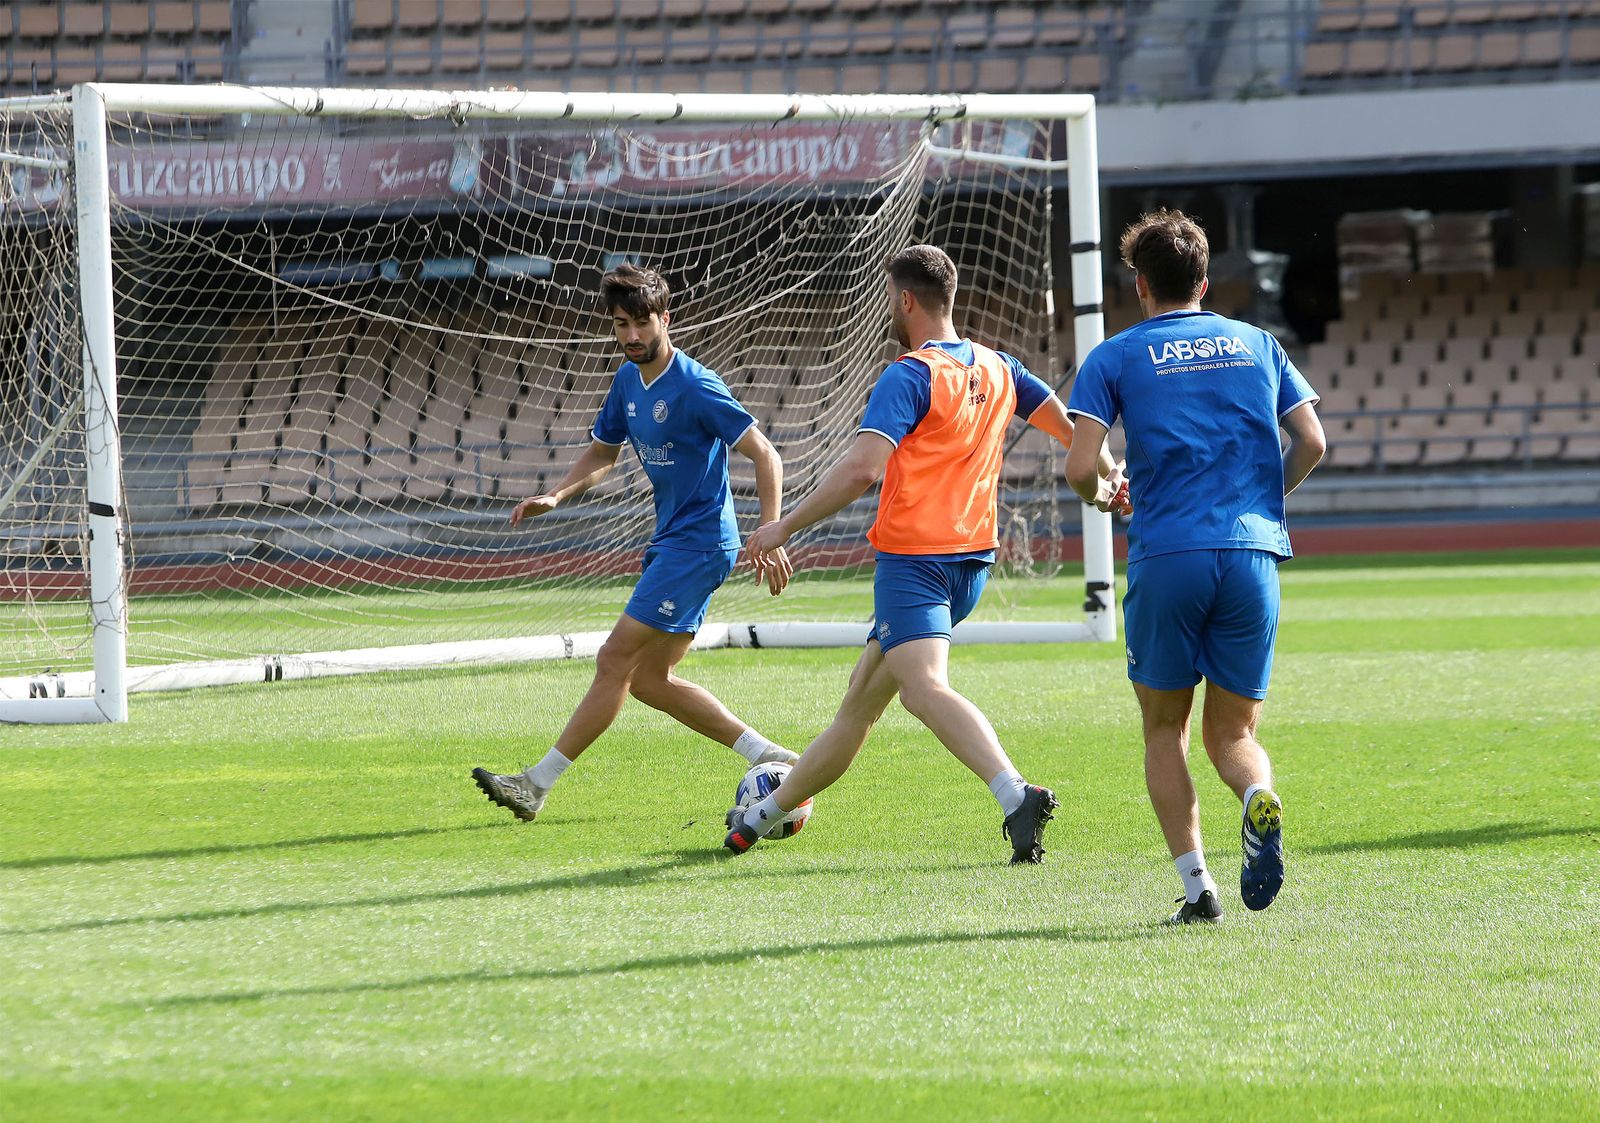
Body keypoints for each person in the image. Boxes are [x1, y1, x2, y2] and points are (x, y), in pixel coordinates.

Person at [728, 244, 1128, 863]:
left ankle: (1014, 793)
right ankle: (758, 817)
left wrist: (784, 527)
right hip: (971, 562)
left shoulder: (912, 374)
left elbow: (863, 469)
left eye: (891, 298)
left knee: (922, 690)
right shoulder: (1000, 368)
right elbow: (1077, 432)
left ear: (906, 300)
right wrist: (1109, 477)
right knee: (857, 709)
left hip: (917, 562)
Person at [1064, 209, 1326, 925]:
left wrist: (1106, 495)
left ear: (1139, 285)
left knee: (1164, 730)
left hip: (1168, 551)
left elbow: (1081, 466)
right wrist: (1262, 501)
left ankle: (1198, 888)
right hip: (1251, 552)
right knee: (1235, 733)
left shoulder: (1115, 356)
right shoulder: (1258, 343)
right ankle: (1255, 797)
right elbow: (1312, 440)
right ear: (1205, 282)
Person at [471, 263, 797, 823]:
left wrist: (771, 530)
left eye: (641, 323)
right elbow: (603, 454)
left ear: (664, 319)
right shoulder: (626, 381)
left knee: (613, 658)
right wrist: (559, 495)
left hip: (698, 545)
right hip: (673, 541)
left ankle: (535, 783)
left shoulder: (695, 385)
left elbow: (766, 454)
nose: (630, 337)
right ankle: (772, 757)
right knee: (649, 681)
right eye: (621, 325)